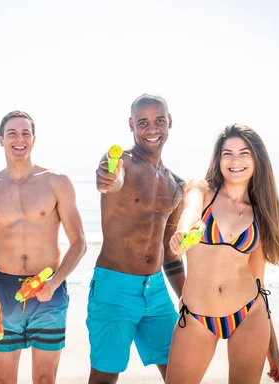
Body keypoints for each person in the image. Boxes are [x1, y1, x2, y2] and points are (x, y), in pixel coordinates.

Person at [166, 124, 279, 384]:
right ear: (218, 158)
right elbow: (191, 213)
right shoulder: (201, 190)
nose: (235, 161)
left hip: (249, 314)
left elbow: (259, 281)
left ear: (257, 159)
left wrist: (273, 347)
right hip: (197, 318)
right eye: (227, 153)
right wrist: (184, 234)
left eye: (244, 153)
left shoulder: (260, 213)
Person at [0, 110, 87, 384]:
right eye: (12, 133)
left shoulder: (56, 181)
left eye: (25, 133)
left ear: (34, 139)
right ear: (1, 139)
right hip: (4, 291)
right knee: (1, 379)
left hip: (49, 290)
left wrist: (55, 282)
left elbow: (79, 242)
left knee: (45, 378)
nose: (19, 139)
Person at [89, 93, 185, 383]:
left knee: (180, 372)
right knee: (105, 377)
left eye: (158, 121)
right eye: (143, 122)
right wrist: (107, 176)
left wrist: (188, 297)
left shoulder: (176, 184)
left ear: (169, 122)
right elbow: (111, 178)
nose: (151, 128)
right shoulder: (122, 162)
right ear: (131, 125)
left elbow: (170, 253)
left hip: (156, 291)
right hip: (114, 287)